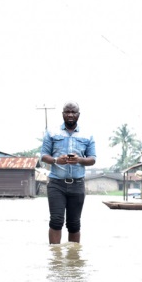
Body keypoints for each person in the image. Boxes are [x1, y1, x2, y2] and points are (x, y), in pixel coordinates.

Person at [40, 102, 97, 244]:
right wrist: (55, 160)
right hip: (56, 184)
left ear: (78, 115)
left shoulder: (87, 135)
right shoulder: (52, 132)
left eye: (73, 112)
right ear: (63, 114)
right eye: (67, 112)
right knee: (56, 220)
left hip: (77, 184)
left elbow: (92, 159)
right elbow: (44, 155)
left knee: (74, 224)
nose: (70, 115)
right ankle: (55, 258)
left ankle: (74, 261)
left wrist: (79, 160)